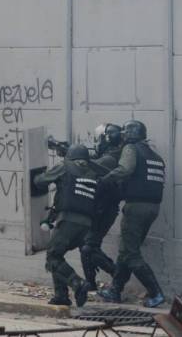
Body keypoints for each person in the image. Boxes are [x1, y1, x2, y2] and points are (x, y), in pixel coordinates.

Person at [97, 120, 166, 308]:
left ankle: (156, 293)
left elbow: (125, 169)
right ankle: (115, 291)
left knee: (131, 253)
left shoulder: (131, 148)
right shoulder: (156, 156)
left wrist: (104, 180)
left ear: (129, 135)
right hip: (152, 208)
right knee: (126, 249)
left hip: (136, 207)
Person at [33, 144, 106, 307]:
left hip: (68, 221)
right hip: (86, 225)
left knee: (52, 257)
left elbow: (41, 181)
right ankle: (61, 296)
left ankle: (77, 283)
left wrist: (34, 175)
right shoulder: (93, 172)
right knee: (58, 256)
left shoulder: (65, 166)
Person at [80, 123, 124, 290]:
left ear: (106, 139)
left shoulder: (109, 159)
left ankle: (117, 274)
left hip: (103, 209)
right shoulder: (113, 155)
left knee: (88, 247)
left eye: (99, 139)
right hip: (102, 208)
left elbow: (90, 170)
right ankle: (90, 282)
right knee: (86, 244)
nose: (97, 143)